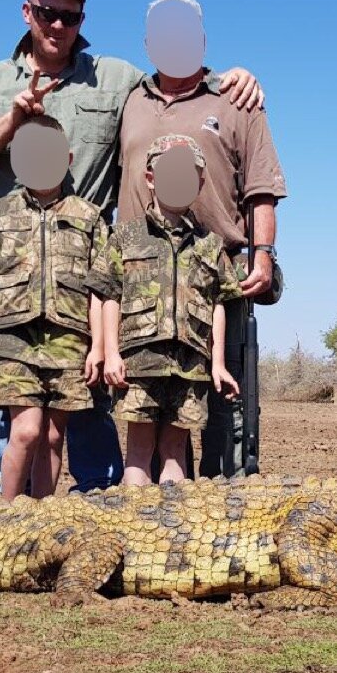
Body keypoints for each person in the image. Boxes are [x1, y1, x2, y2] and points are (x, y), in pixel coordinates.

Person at [0, 0, 263, 493]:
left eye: (70, 16)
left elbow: (175, 86)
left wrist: (233, 78)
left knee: (86, 398)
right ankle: (11, 522)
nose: (58, 24)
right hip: (15, 277)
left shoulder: (113, 77)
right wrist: (13, 123)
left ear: (80, 20)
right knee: (23, 422)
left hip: (89, 266)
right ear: (27, 12)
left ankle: (89, 505)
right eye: (48, 13)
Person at [117, 0, 286, 478]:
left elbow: (262, 188)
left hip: (216, 276)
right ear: (148, 43)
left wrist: (263, 256)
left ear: (202, 41)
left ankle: (224, 513)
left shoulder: (237, 99)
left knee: (221, 403)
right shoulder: (128, 98)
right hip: (139, 283)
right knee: (149, 413)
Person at [0, 115, 113, 499]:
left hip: (68, 338)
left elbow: (98, 289)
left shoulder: (90, 218)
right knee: (25, 431)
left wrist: (96, 347)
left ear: (69, 158)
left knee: (53, 436)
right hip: (13, 340)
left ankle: (41, 522)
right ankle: (7, 520)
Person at [102, 135, 240, 485]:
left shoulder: (210, 244)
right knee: (137, 453)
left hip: (190, 365)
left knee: (175, 451)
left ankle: (172, 536)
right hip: (139, 361)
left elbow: (218, 303)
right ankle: (136, 532)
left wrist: (218, 363)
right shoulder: (125, 236)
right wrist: (110, 354)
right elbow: (109, 296)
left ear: (200, 183)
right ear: (150, 178)